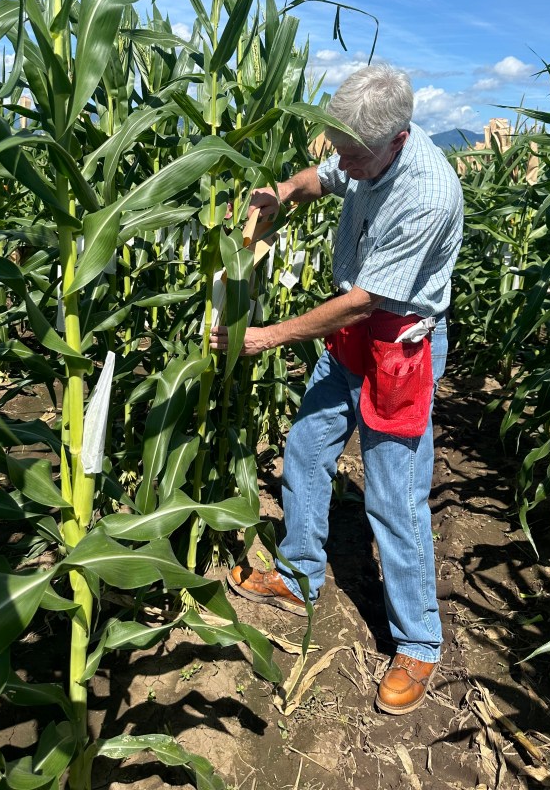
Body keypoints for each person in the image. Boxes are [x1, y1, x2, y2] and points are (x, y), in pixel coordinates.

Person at [209, 63, 464, 714]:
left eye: (352, 155)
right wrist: (280, 191)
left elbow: (363, 301)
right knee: (305, 446)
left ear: (395, 140)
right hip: (351, 336)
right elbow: (318, 178)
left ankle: (418, 643)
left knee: (394, 498)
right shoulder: (362, 151)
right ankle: (298, 575)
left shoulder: (428, 193)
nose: (341, 164)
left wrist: (265, 336)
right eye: (339, 148)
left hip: (398, 344)